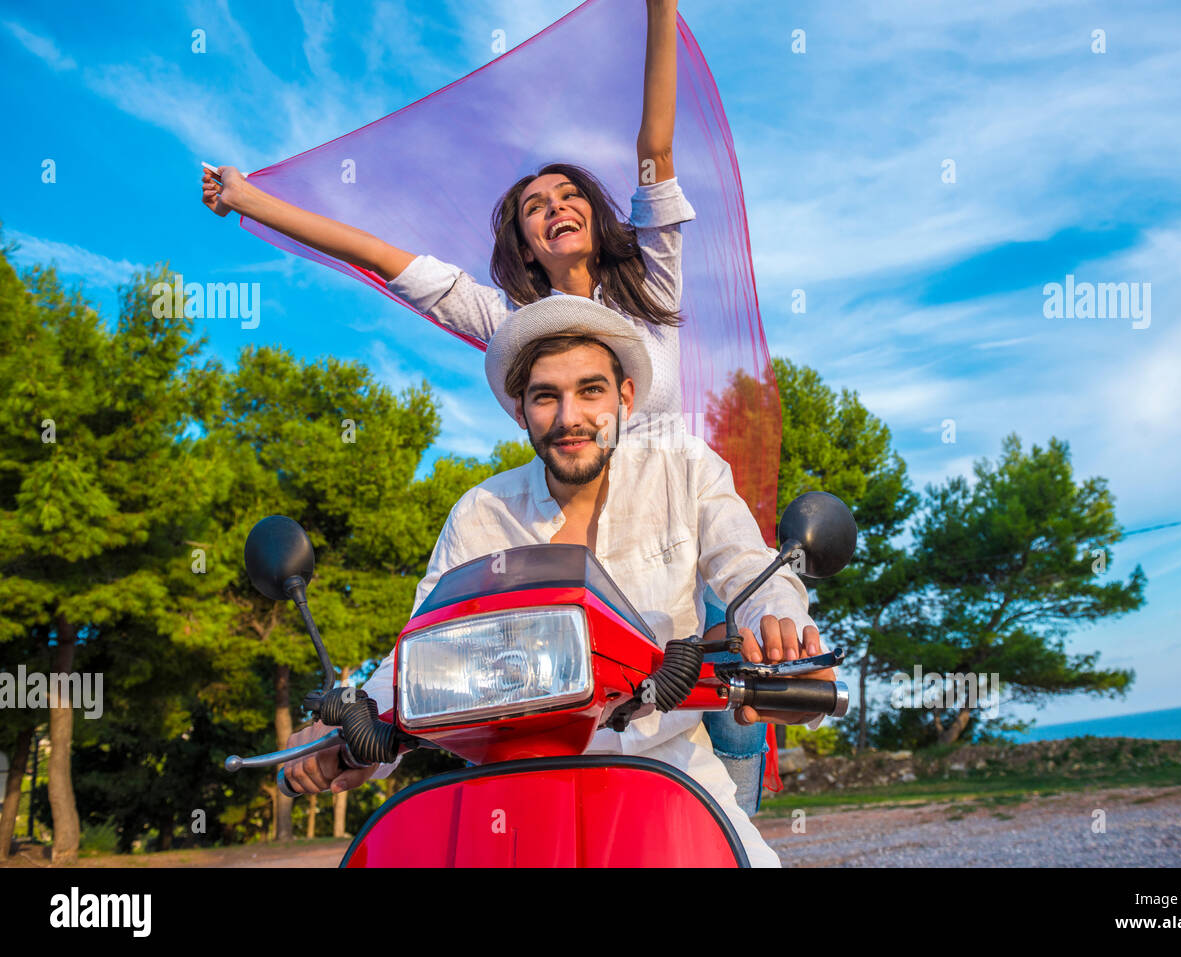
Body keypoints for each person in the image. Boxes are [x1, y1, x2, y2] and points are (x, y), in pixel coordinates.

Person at [201, 0, 769, 809]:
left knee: (738, 704)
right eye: (536, 205)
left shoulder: (652, 278)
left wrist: (660, 10)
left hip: (674, 514)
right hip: (575, 538)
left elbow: (655, 146)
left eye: (569, 193)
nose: (554, 206)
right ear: (525, 241)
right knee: (526, 690)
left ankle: (729, 827)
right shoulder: (510, 324)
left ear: (595, 218)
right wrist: (250, 200)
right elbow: (379, 255)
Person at [282, 294, 836, 867]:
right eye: (546, 396)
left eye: (591, 391)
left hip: (670, 770)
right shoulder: (481, 512)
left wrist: (786, 637)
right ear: (521, 410)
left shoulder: (684, 469)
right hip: (508, 791)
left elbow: (748, 566)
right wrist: (358, 731)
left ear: (624, 398)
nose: (570, 417)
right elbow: (419, 646)